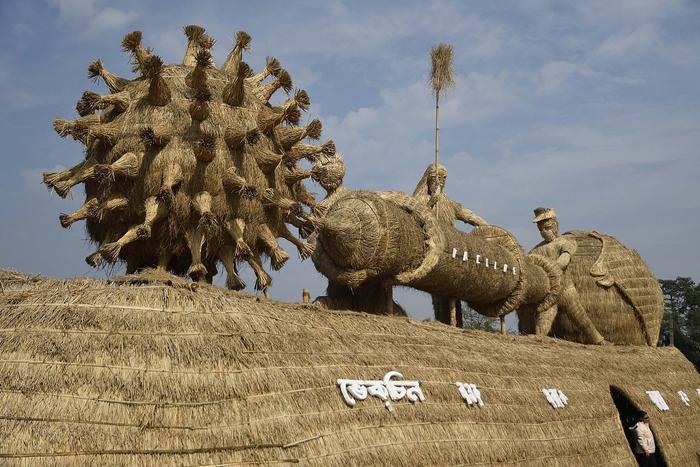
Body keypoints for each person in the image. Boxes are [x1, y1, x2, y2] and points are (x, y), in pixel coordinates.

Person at [413, 164, 488, 326]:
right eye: (436, 178)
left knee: (453, 293)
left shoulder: (448, 203)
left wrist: (485, 226)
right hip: (432, 250)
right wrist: (432, 200)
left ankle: (455, 323)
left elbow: (465, 214)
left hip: (451, 250)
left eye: (443, 179)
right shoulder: (419, 200)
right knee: (440, 293)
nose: (439, 182)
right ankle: (443, 321)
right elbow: (414, 213)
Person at [530, 207, 606, 344]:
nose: (544, 232)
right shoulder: (536, 250)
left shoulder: (565, 242)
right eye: (541, 230)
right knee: (543, 318)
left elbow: (564, 260)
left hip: (566, 290)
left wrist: (550, 268)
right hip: (550, 293)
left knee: (580, 317)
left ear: (555, 226)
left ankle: (599, 340)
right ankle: (539, 339)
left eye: (547, 228)